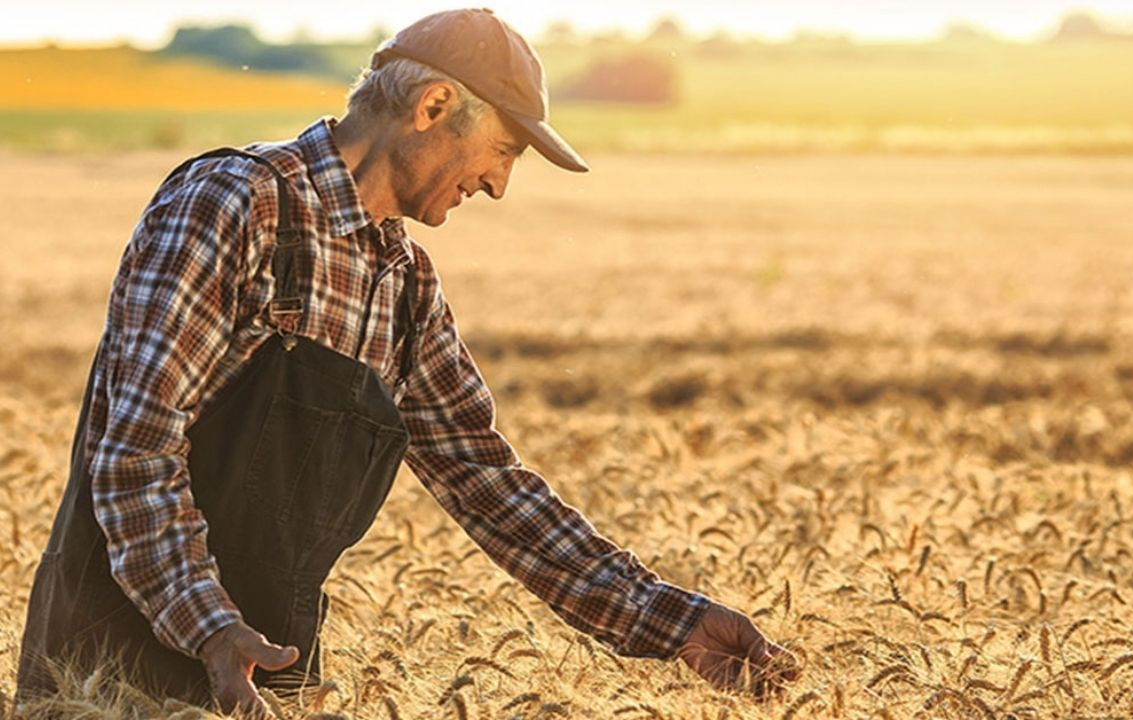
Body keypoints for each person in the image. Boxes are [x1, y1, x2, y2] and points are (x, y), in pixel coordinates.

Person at [15, 7, 799, 716]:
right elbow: (136, 452)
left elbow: (486, 481)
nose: (497, 184)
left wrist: (672, 622)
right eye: (504, 151)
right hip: (112, 675)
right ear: (432, 108)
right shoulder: (233, 203)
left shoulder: (403, 284)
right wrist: (210, 628)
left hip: (265, 678)